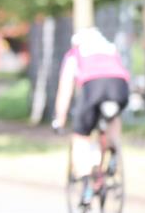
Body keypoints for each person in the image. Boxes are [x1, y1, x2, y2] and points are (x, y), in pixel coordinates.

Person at [51, 27, 130, 203]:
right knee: (113, 118)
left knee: (80, 136)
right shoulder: (110, 48)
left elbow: (65, 89)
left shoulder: (74, 54)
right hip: (119, 88)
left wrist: (60, 119)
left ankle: (86, 181)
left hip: (94, 88)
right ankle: (113, 151)